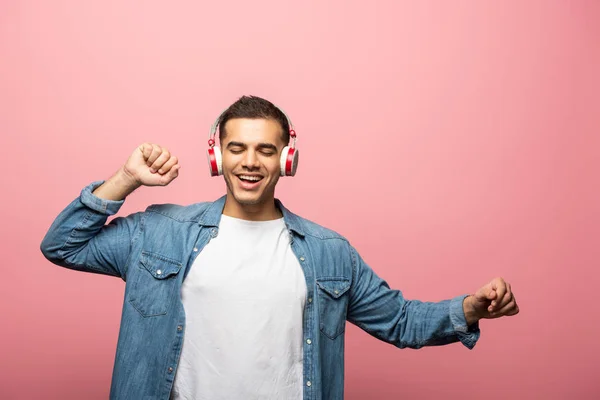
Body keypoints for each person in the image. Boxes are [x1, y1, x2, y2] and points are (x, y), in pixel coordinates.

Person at [41, 95, 519, 400]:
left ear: (286, 158)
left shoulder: (331, 252)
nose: (250, 162)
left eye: (265, 150)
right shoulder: (158, 232)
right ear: (217, 155)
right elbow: (61, 245)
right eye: (237, 148)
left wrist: (470, 308)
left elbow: (400, 321)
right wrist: (124, 179)